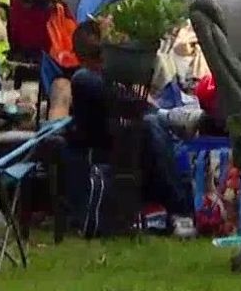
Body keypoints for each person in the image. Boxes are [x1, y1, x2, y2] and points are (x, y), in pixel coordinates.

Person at [48, 19, 196, 237]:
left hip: (134, 145)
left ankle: (180, 211)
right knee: (151, 121)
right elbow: (62, 121)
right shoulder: (78, 80)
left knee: (151, 124)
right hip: (103, 149)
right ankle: (180, 210)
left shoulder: (116, 80)